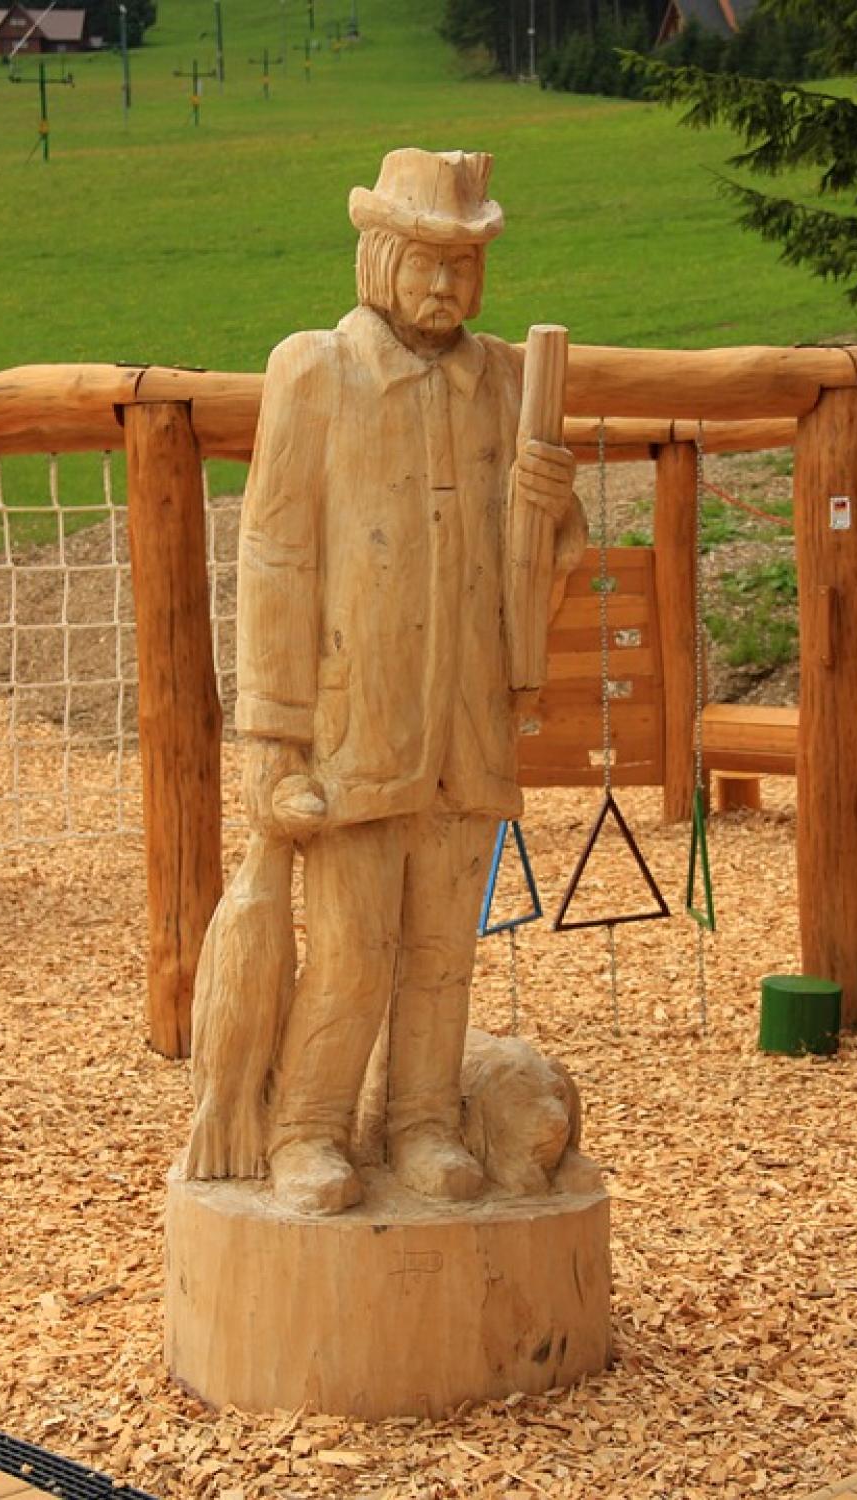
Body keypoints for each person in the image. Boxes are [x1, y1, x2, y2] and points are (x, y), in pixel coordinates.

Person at [224, 148, 586, 1214]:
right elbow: (275, 556)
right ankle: (308, 1128)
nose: (443, 286)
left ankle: (421, 1121)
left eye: (463, 267)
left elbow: (544, 560)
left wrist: (552, 511)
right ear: (377, 256)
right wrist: (274, 736)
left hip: (464, 723)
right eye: (426, 261)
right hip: (356, 723)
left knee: (441, 950)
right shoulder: (316, 373)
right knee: (349, 948)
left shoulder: (506, 381)